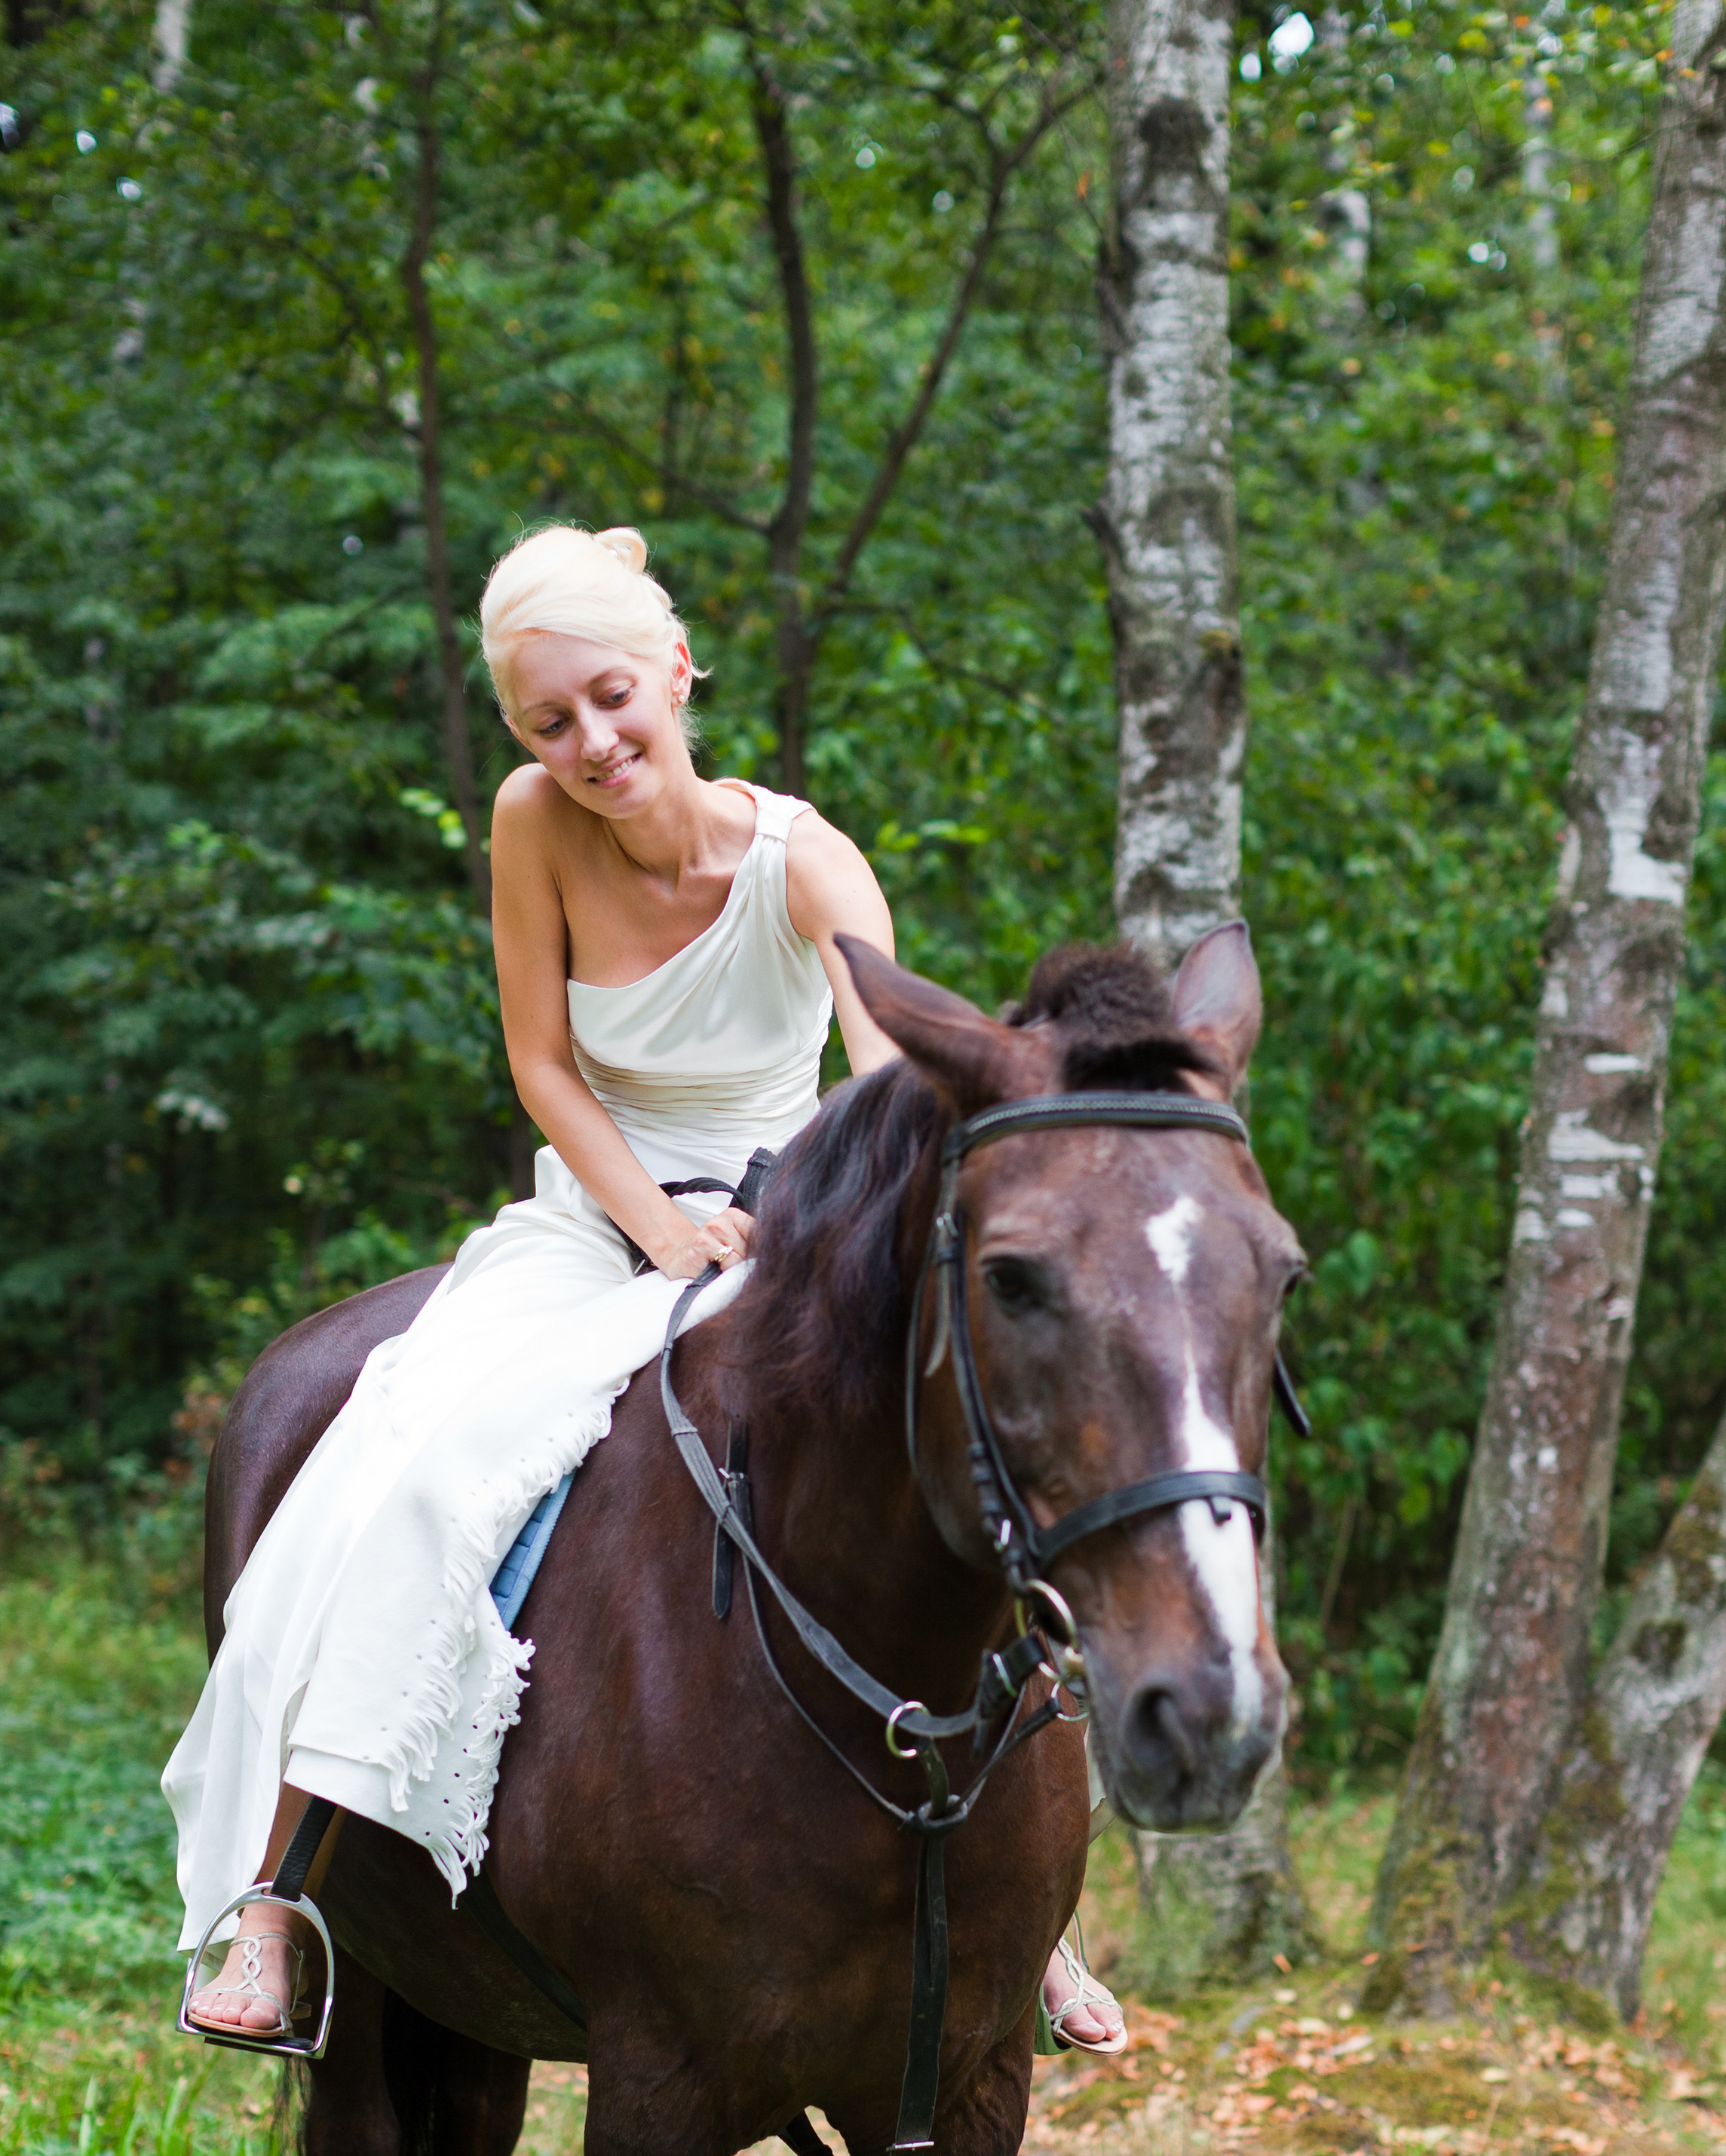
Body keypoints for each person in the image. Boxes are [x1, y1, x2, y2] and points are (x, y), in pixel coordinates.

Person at [165, 524, 1125, 2056]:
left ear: (676, 670)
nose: (591, 743)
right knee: (409, 1468)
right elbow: (543, 1063)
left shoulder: (801, 861)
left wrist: (774, 1230)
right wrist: (652, 1226)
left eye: (611, 698)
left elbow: (885, 1096)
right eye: (549, 721)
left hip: (791, 1223)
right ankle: (284, 1887)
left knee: (945, 1465)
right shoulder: (530, 823)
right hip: (595, 1216)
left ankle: (1040, 1909)